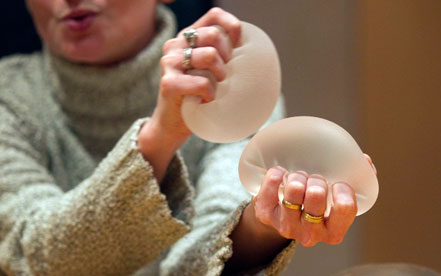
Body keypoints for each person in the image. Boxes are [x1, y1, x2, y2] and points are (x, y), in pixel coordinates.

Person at [0, 0, 375, 275]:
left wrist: (266, 223)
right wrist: (160, 134)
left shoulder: (234, 87)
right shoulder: (8, 96)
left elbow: (192, 266)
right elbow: (34, 259)